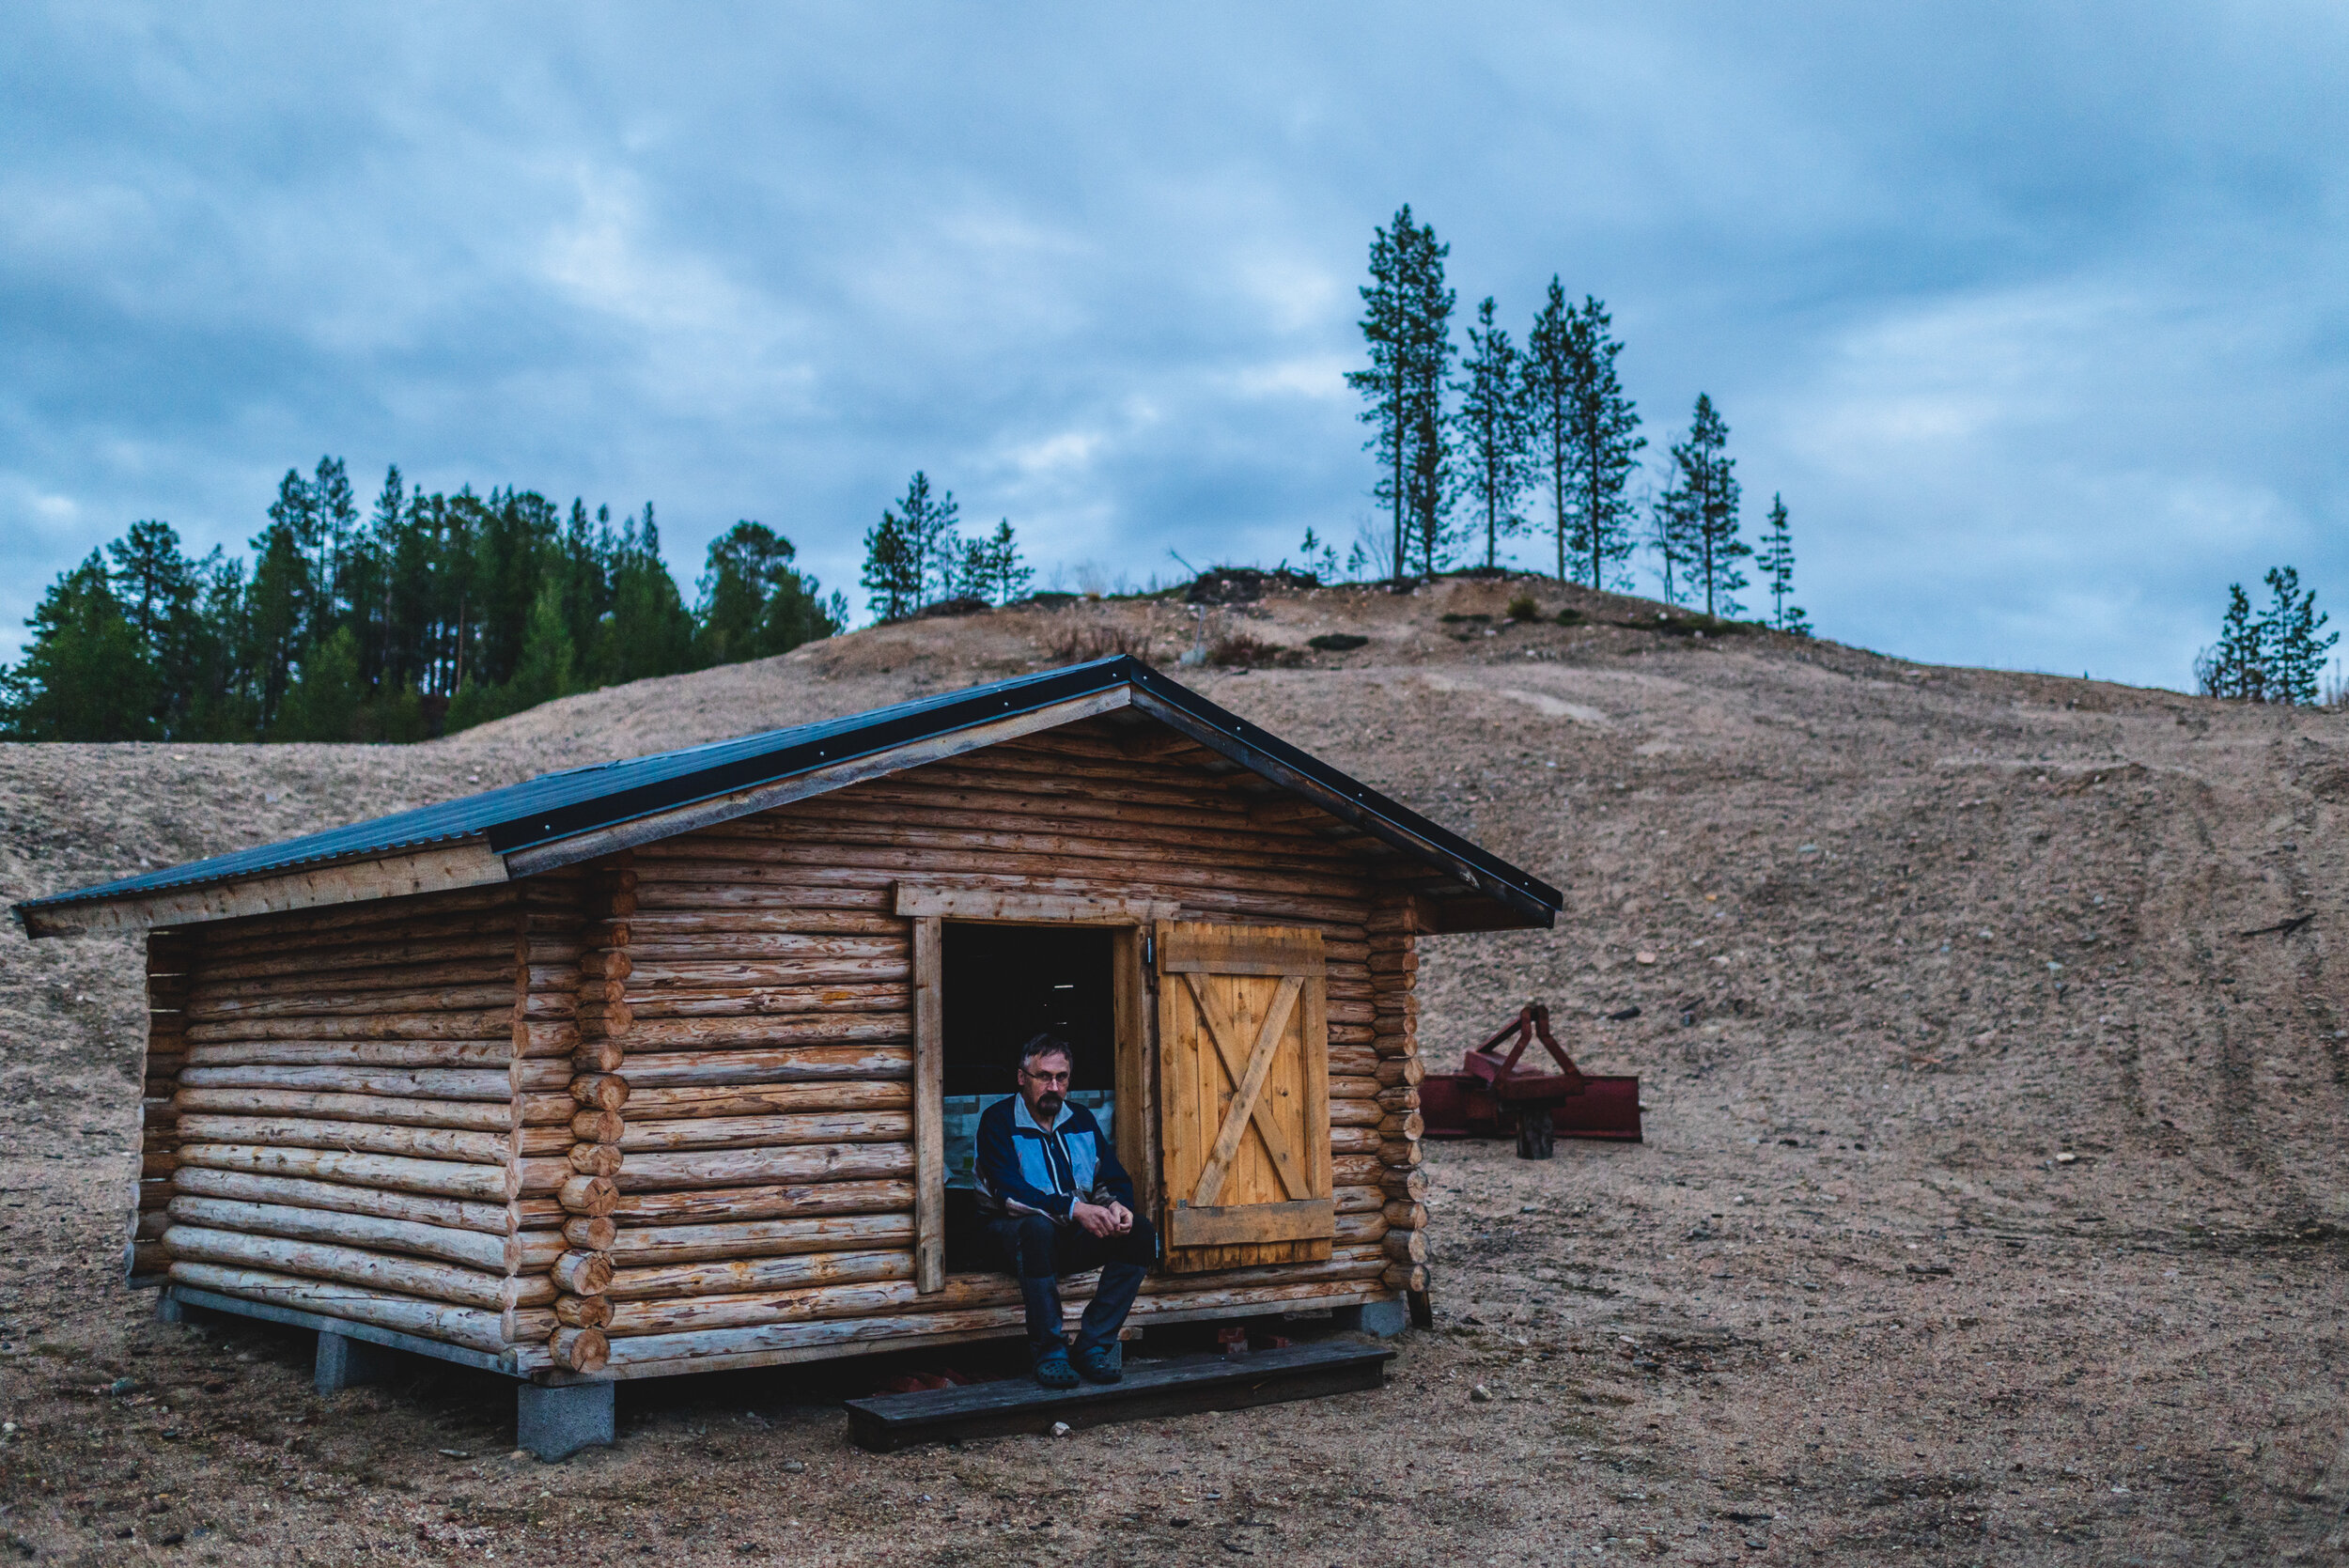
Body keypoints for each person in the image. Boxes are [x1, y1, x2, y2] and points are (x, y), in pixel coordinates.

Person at [973, 1033, 1158, 1388]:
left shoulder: (1082, 1120)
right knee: (1035, 1229)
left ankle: (1093, 1346)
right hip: (1007, 1239)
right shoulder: (997, 1122)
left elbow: (1110, 1178)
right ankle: (1050, 1353)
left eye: (1062, 1078)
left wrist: (1117, 1207)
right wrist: (1076, 1210)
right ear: (1022, 1078)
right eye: (1044, 1076)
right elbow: (1011, 1196)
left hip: (1064, 1239)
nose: (1053, 1087)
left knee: (1140, 1233)